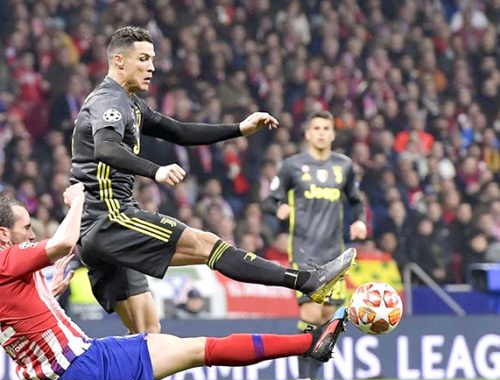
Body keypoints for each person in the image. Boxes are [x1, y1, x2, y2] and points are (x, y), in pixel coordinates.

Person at [0, 185, 348, 380]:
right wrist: (77, 200)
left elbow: (16, 317)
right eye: (26, 228)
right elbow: (62, 243)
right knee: (201, 349)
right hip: (85, 365)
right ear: (3, 234)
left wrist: (49, 293)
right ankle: (309, 344)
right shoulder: (5, 258)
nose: (31, 234)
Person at [70, 26, 356, 334]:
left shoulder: (131, 104)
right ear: (119, 60)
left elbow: (179, 131)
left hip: (96, 230)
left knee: (147, 334)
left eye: (152, 59)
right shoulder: (109, 100)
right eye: (143, 59)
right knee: (208, 245)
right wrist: (156, 170)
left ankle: (94, 370)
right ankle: (307, 281)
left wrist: (239, 129)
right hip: (111, 218)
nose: (151, 67)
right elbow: (106, 148)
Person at [265, 111, 367, 380]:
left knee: (328, 318)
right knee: (310, 314)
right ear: (308, 134)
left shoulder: (344, 166)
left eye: (326, 128)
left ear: (332, 134)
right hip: (304, 251)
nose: (321, 132)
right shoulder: (292, 166)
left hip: (335, 253)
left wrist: (360, 220)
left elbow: (356, 200)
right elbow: (269, 199)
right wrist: (279, 208)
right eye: (316, 128)